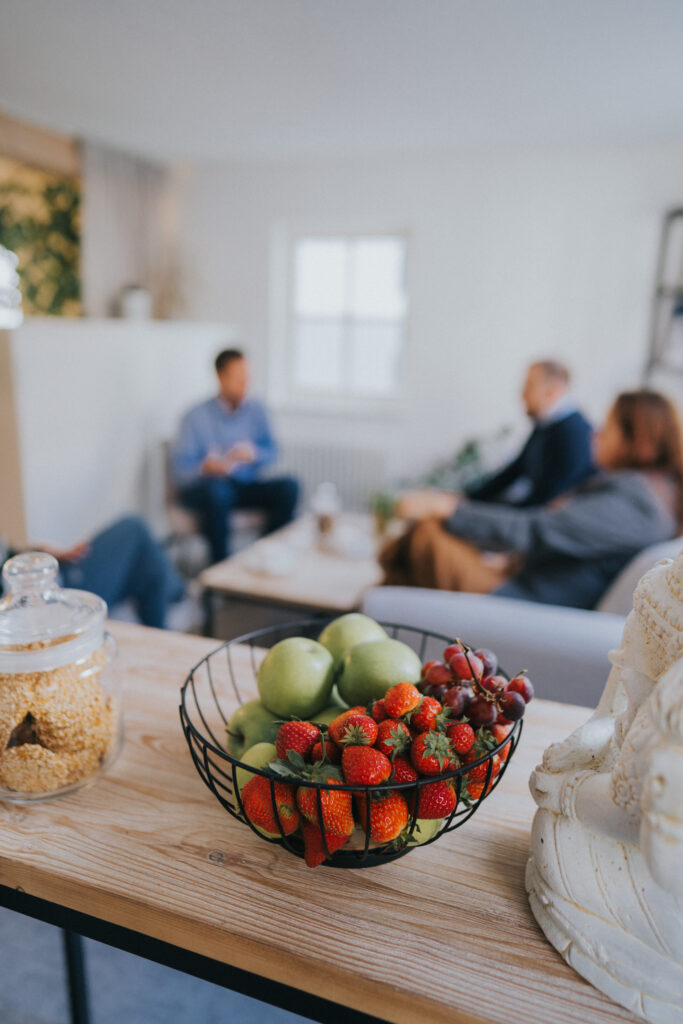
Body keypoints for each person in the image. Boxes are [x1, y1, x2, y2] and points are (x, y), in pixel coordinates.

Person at [381, 390, 682, 610]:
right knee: (417, 550)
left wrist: (451, 509)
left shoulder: (639, 503)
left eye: (609, 426)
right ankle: (381, 610)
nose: (597, 434)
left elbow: (539, 529)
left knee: (426, 534)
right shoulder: (646, 493)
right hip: (524, 582)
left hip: (529, 602)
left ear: (638, 441)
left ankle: (376, 609)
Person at [172, 348, 299, 562]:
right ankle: (220, 568)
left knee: (290, 486)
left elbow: (273, 451)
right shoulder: (194, 416)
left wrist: (254, 454)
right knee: (218, 491)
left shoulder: (257, 410)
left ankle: (265, 555)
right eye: (238, 379)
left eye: (246, 378)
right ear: (220, 377)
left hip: (245, 485)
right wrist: (205, 467)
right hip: (208, 489)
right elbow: (180, 472)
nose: (244, 385)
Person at [0, 516, 185, 630]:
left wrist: (39, 553)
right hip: (53, 602)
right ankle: (177, 596)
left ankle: (170, 608)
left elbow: (7, 557)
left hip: (51, 575)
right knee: (135, 531)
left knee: (146, 568)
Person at [466, 360, 594, 506]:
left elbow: (542, 504)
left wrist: (471, 512)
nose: (522, 395)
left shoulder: (574, 436)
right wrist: (466, 499)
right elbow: (515, 471)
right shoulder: (545, 425)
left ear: (552, 392)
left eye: (529, 386)